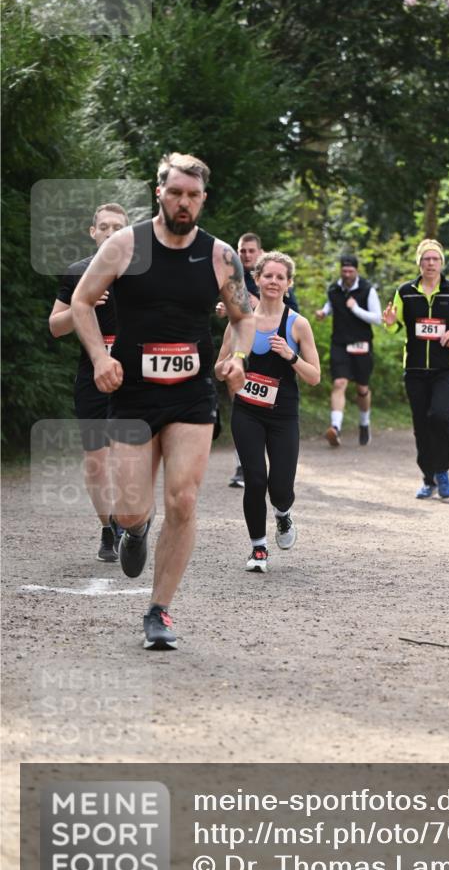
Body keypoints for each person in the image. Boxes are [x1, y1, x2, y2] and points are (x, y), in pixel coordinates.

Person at [71, 152, 254, 649]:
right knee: (131, 508)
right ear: (160, 193)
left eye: (193, 195)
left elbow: (244, 317)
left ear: (203, 199)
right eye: (175, 192)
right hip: (132, 393)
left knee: (184, 498)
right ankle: (134, 530)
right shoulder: (125, 245)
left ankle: (159, 611)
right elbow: (82, 303)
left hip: (192, 394)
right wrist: (98, 358)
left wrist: (234, 357)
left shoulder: (221, 256)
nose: (184, 202)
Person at [216, 250, 320, 573]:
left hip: (283, 416)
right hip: (247, 412)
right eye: (268, 276)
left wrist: (291, 356)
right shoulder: (240, 322)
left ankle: (283, 514)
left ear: (288, 284)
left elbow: (315, 377)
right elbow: (218, 368)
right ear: (257, 279)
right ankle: (258, 549)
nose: (274, 281)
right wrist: (230, 366)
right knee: (255, 479)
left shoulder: (297, 324)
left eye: (280, 277)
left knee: (280, 488)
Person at [48, 203, 129, 562]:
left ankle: (131, 522)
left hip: (135, 376)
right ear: (92, 232)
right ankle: (109, 529)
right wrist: (86, 304)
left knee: (129, 457)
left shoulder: (142, 274)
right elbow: (55, 327)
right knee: (97, 461)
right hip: (93, 374)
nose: (111, 232)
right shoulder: (78, 273)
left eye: (118, 227)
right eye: (105, 227)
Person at [383, 238, 449, 500]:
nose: (431, 263)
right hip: (414, 369)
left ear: (442, 262)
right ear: (419, 263)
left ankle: (443, 471)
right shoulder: (405, 291)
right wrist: (389, 322)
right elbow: (395, 325)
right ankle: (428, 478)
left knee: (440, 417)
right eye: (426, 259)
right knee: (421, 425)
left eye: (435, 258)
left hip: (446, 368)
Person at [226, 232, 299, 489]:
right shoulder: (233, 278)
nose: (245, 255)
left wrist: (291, 354)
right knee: (241, 401)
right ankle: (242, 463)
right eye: (242, 250)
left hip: (281, 400)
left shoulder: (279, 286)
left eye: (250, 250)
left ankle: (282, 507)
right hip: (245, 384)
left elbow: (294, 315)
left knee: (280, 485)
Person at [316, 254, 382, 446]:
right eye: (344, 271)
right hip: (340, 344)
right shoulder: (334, 289)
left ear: (356, 271)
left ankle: (364, 424)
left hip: (362, 344)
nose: (347, 274)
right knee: (339, 383)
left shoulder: (367, 290)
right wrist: (323, 312)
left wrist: (356, 309)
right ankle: (335, 428)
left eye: (350, 271)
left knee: (362, 389)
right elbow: (330, 305)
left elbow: (378, 319)